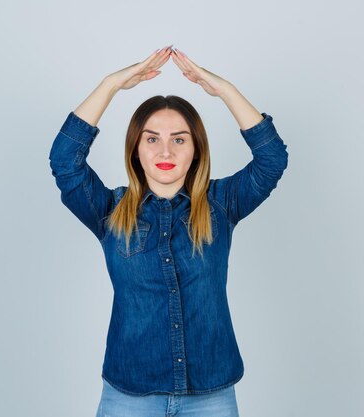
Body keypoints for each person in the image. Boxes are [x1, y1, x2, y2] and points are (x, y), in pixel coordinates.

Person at [48, 45, 289, 417]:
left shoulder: (221, 204)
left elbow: (272, 159)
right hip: (129, 394)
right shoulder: (108, 210)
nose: (166, 150)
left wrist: (224, 90)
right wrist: (111, 85)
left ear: (196, 149)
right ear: (136, 149)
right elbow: (64, 160)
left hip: (211, 394)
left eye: (179, 138)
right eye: (151, 138)